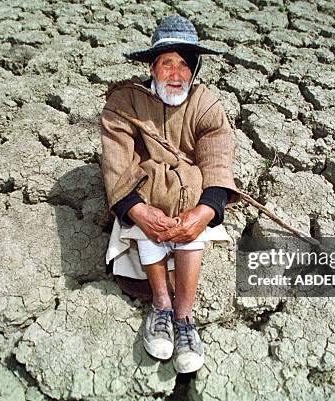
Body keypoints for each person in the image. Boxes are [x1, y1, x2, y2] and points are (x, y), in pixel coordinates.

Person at [100, 15, 238, 373]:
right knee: (151, 208)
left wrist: (206, 210)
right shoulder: (124, 102)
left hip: (189, 199)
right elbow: (117, 160)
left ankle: (183, 317)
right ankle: (160, 306)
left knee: (192, 203)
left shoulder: (205, 104)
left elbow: (217, 156)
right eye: (167, 63)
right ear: (152, 66)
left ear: (193, 69)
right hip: (145, 197)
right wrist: (137, 209)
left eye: (183, 64)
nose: (176, 74)